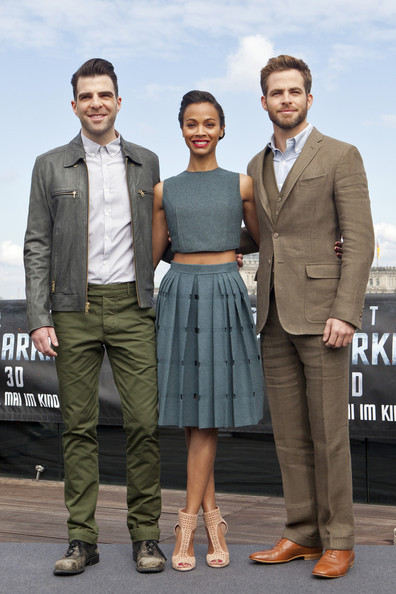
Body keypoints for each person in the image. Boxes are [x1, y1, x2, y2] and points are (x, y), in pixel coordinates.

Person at [24, 58, 166, 575]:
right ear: (75, 105)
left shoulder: (148, 162)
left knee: (144, 425)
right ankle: (82, 539)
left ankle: (147, 536)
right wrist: (39, 316)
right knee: (77, 428)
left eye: (105, 95)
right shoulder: (49, 164)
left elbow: (168, 232)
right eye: (87, 97)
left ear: (119, 101)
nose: (96, 104)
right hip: (71, 311)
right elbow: (37, 243)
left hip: (133, 305)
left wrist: (230, 246)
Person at [241, 55, 374, 579]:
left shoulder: (342, 154)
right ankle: (301, 532)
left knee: (328, 433)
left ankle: (339, 539)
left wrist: (346, 311)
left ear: (309, 98)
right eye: (277, 93)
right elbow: (263, 235)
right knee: (290, 435)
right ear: (265, 102)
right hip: (272, 313)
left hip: (324, 317)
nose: (287, 100)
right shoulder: (255, 164)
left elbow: (360, 240)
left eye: (295, 92)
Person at [152, 90, 264, 571]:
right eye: (191, 123)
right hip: (179, 292)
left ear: (222, 129)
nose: (200, 131)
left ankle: (186, 523)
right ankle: (213, 520)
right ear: (181, 129)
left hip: (224, 290)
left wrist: (223, 248)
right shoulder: (164, 190)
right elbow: (155, 251)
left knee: (209, 411)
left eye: (209, 123)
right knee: (193, 410)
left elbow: (258, 238)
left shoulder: (243, 185)